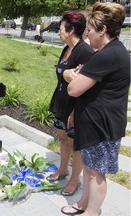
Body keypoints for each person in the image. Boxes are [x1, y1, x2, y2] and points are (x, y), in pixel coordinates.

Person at [61, 2, 130, 216]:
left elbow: (73, 89)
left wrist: (70, 75)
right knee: (91, 170)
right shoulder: (113, 51)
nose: (87, 35)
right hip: (98, 122)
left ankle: (91, 212)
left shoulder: (106, 55)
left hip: (101, 125)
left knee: (96, 173)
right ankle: (83, 204)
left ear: (103, 30)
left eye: (90, 30)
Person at [47, 11, 94, 197]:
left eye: (60, 29)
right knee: (62, 138)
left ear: (71, 29)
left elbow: (88, 86)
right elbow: (63, 77)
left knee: (75, 144)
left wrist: (75, 112)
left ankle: (75, 180)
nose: (58, 32)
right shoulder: (66, 48)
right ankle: (63, 170)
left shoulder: (85, 52)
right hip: (61, 101)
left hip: (76, 107)